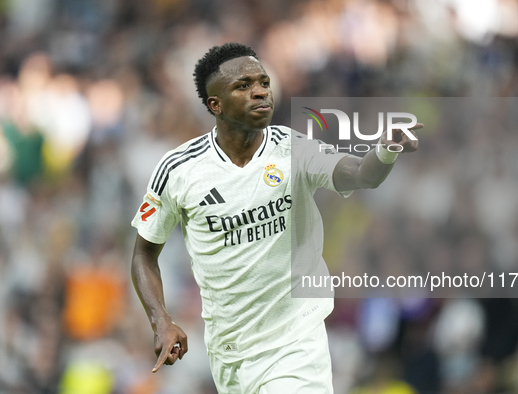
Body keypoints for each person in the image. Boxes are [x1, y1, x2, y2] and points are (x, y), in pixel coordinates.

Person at [131, 42, 421, 393]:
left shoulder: (294, 149)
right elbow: (144, 254)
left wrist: (385, 150)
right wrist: (160, 319)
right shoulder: (179, 169)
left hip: (295, 343)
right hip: (229, 353)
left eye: (263, 82)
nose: (260, 92)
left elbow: (361, 174)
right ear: (215, 105)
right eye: (243, 86)